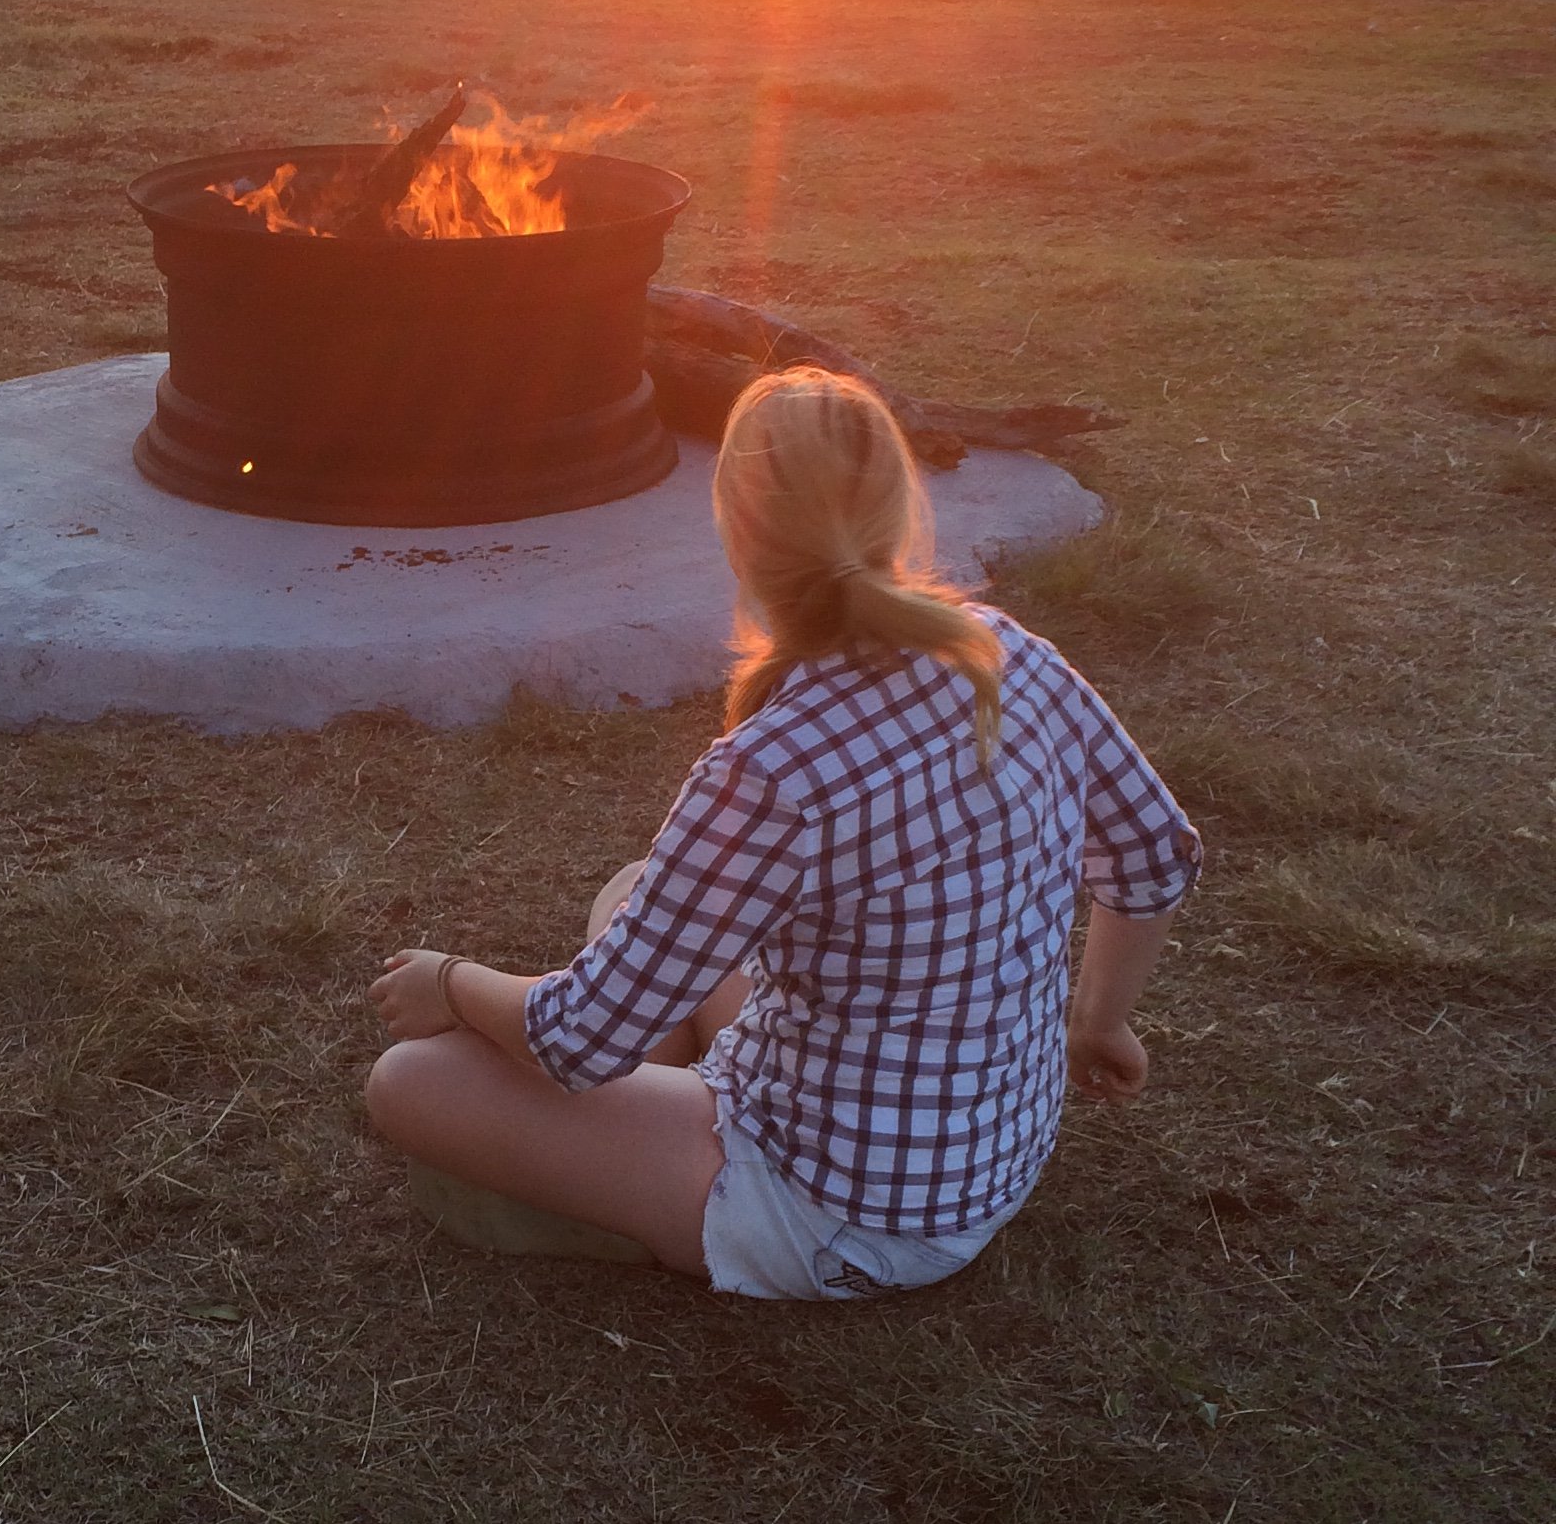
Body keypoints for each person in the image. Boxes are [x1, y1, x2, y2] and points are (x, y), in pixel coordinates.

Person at [364, 368, 1201, 1302]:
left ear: (739, 534)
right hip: (986, 1161)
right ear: (898, 506)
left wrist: (450, 982)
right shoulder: (1008, 654)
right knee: (634, 890)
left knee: (413, 1081)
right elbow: (1153, 853)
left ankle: (621, 1201)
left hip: (840, 1211)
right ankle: (620, 1146)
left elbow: (581, 1037)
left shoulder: (773, 768)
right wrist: (1099, 1023)